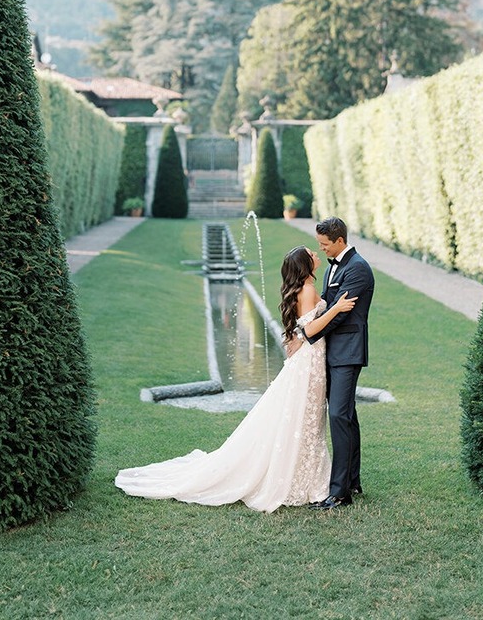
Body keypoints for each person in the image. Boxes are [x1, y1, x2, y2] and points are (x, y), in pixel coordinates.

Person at [114, 245, 357, 513]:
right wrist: (336, 309)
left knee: (307, 419)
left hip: (310, 359)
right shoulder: (308, 290)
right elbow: (310, 328)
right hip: (309, 363)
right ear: (305, 265)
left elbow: (302, 327)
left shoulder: (307, 287)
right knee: (306, 418)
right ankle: (302, 478)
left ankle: (307, 475)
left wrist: (301, 331)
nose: (316, 255)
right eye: (311, 254)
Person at [291, 216, 375, 511]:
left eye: (325, 244)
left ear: (340, 240)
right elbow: (325, 305)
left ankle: (339, 493)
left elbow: (340, 315)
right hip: (329, 351)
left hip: (347, 352)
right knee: (346, 416)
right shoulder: (331, 268)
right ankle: (352, 481)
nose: (321, 249)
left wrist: (306, 335)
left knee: (339, 415)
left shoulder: (358, 269)